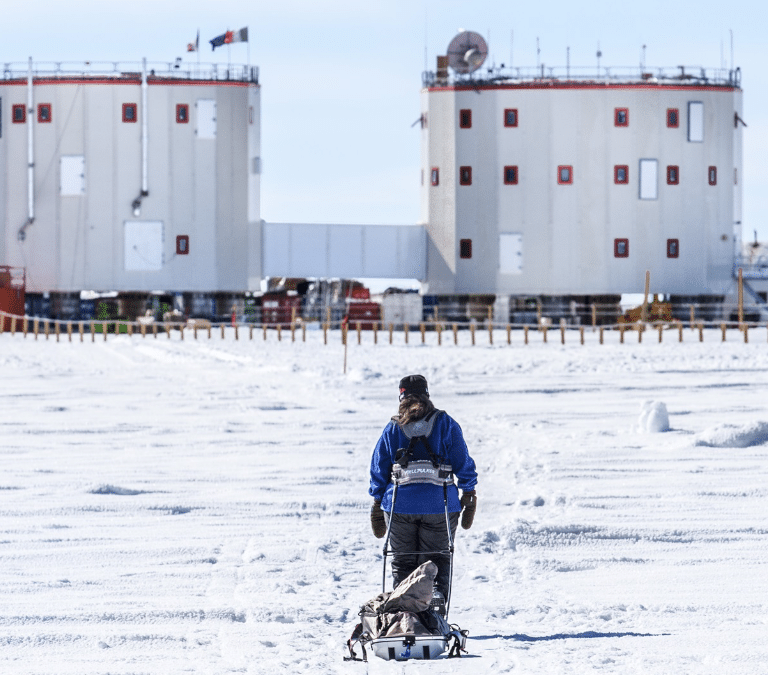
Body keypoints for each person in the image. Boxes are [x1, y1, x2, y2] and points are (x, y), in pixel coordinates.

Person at [369, 374, 478, 609]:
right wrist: (469, 493)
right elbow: (463, 462)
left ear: (401, 396)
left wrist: (378, 500)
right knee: (437, 558)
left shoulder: (392, 427)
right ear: (427, 394)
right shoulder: (446, 424)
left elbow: (378, 467)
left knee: (403, 562)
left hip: (398, 506)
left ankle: (404, 611)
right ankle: (435, 604)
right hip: (439, 505)